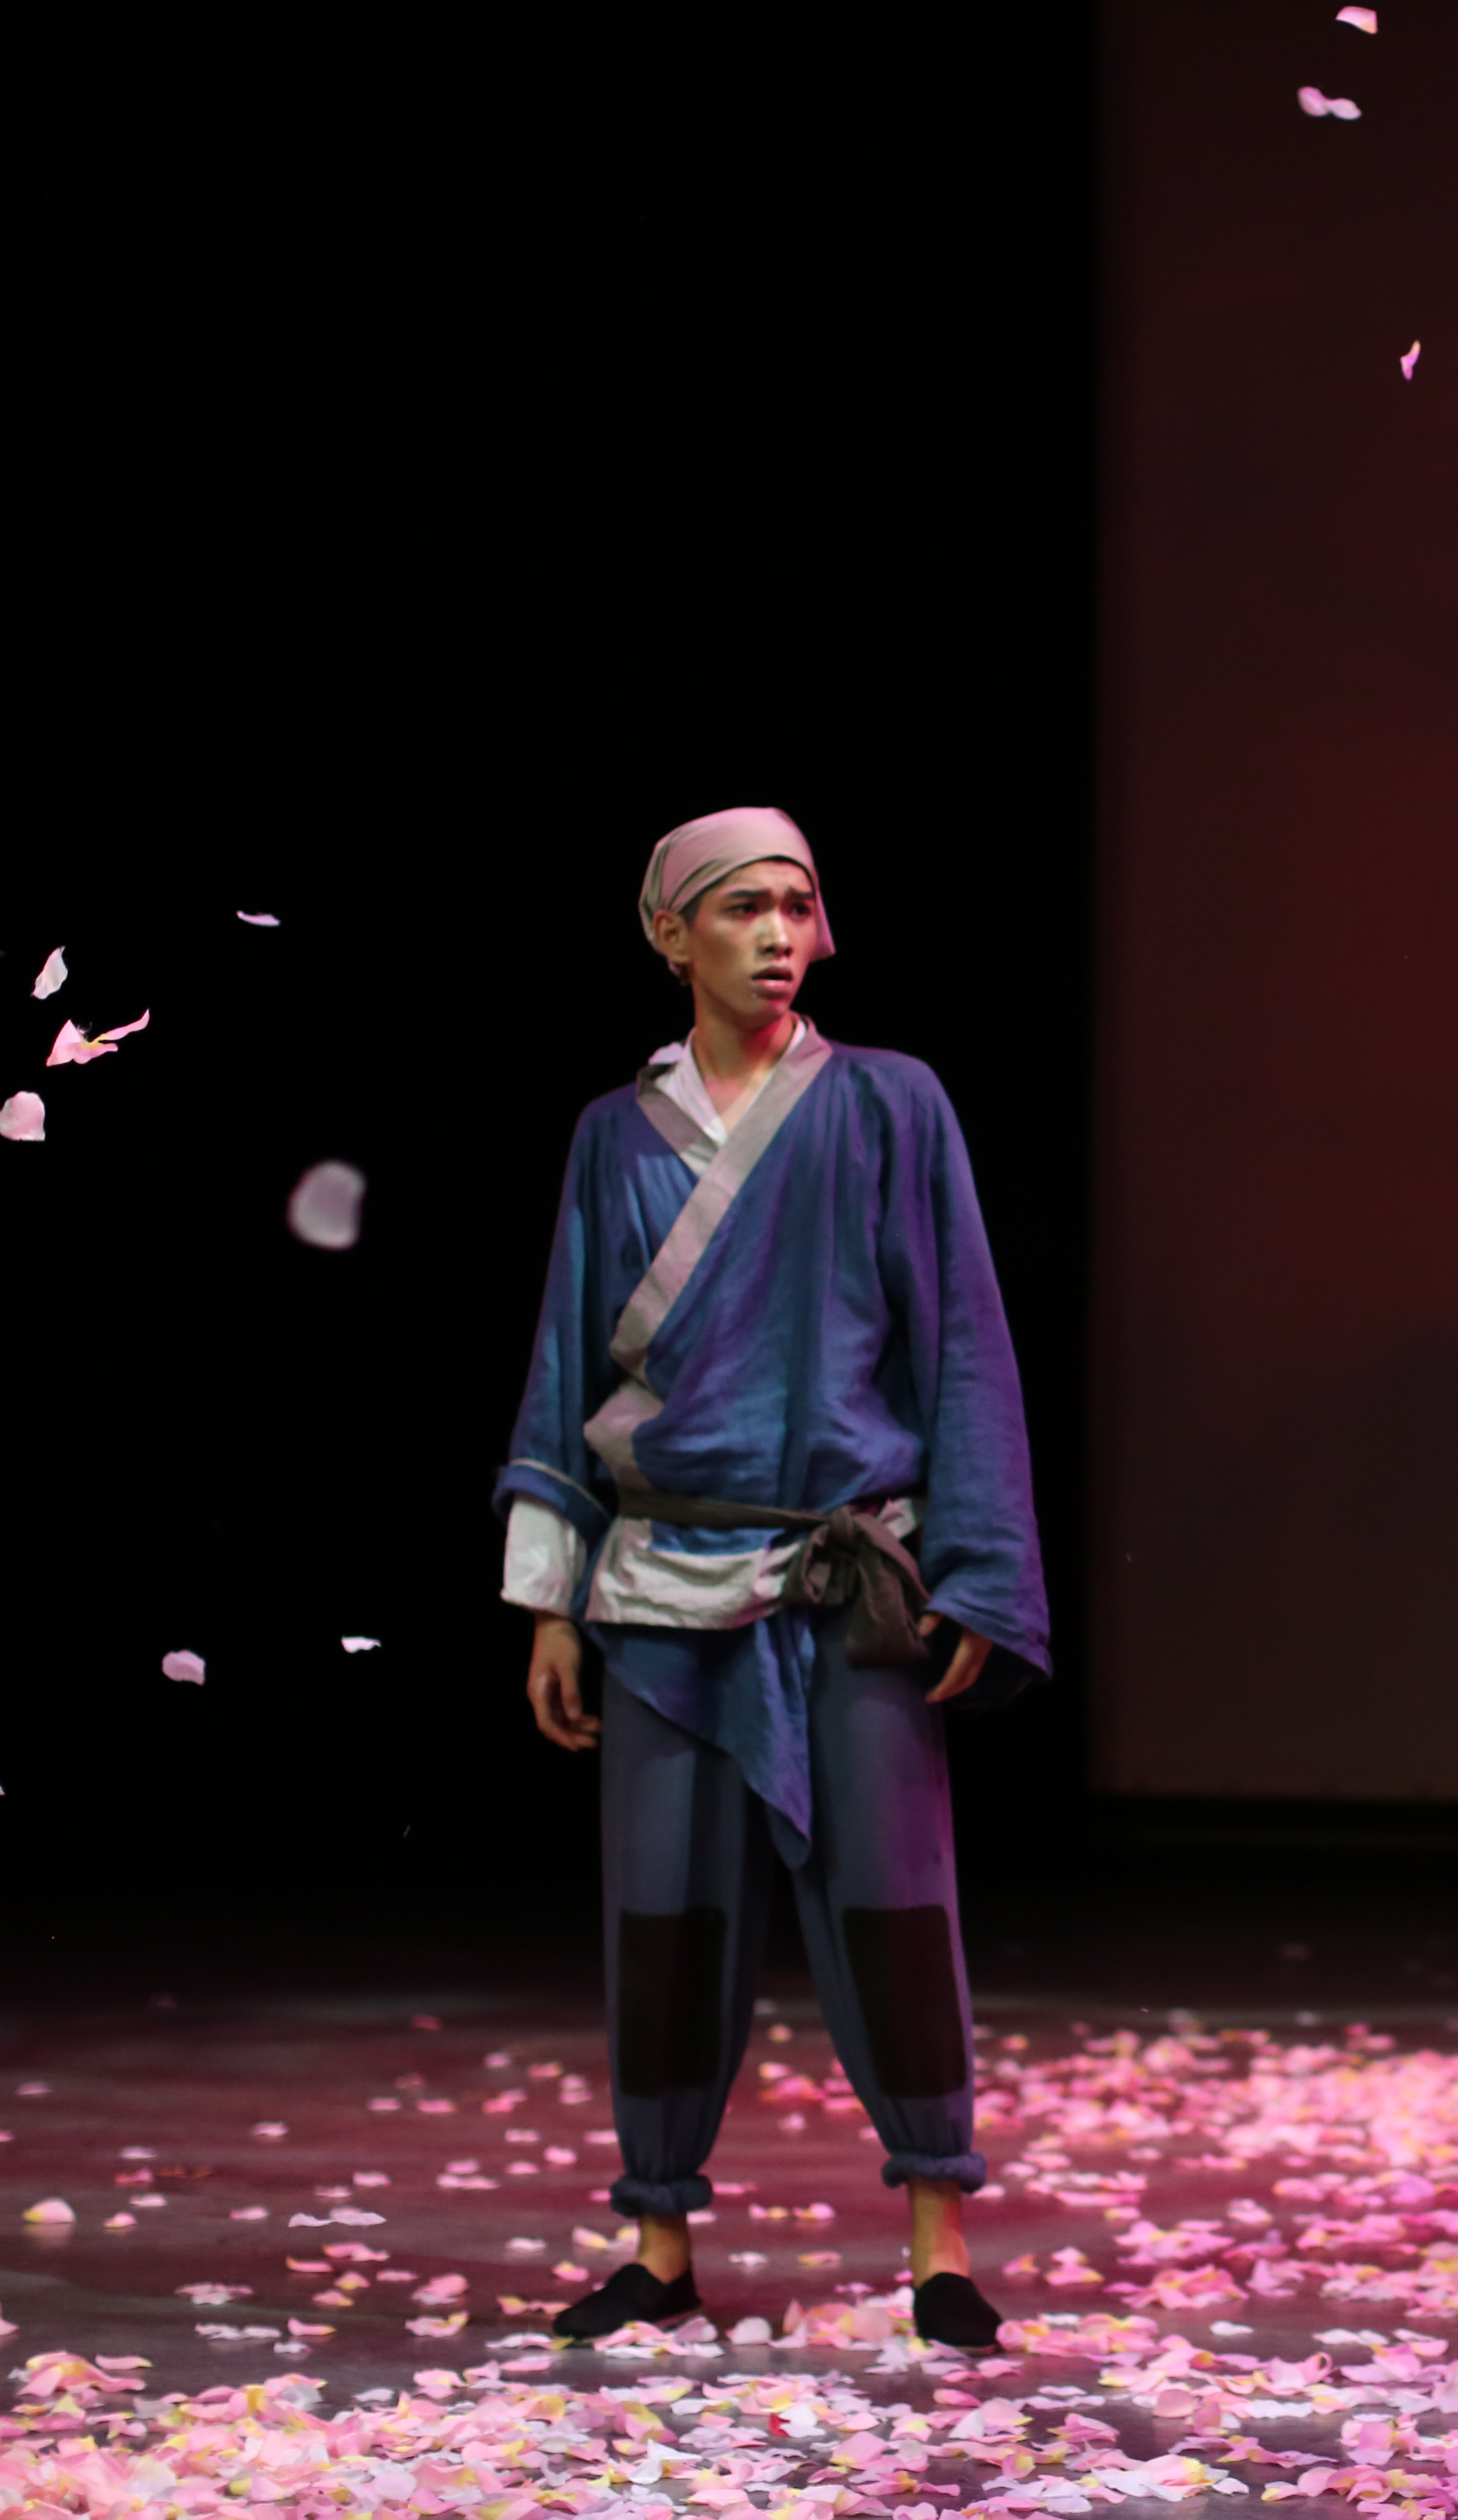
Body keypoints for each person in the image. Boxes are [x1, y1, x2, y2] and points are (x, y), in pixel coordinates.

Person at [496, 806, 1051, 2353]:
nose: (776, 935)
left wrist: (977, 1569)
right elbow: (563, 1363)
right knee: (664, 1915)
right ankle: (658, 2240)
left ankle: (939, 2241)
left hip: (844, 1570)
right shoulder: (615, 1136)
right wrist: (550, 1599)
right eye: (741, 908)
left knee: (895, 1902)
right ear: (671, 934)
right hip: (660, 1578)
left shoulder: (889, 1105)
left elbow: (963, 1340)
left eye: (796, 906)